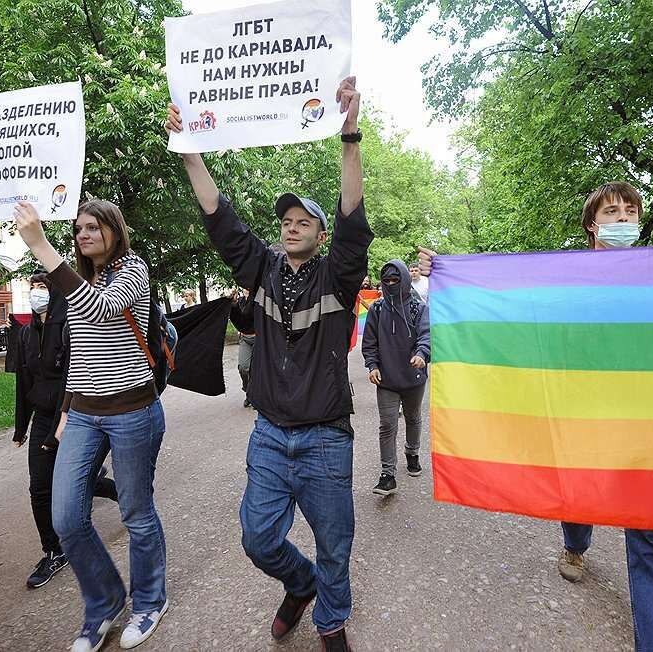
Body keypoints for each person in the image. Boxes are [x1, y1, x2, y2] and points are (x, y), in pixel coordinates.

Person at [416, 181, 653, 652]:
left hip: (644, 427)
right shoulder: (565, 277)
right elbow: (513, 307)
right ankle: (576, 542)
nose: (623, 220)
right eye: (612, 212)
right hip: (582, 417)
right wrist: (445, 273)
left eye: (631, 212)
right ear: (592, 225)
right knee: (578, 493)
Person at [166, 75, 371, 652]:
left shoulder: (339, 274)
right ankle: (299, 583)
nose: (291, 224)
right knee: (258, 539)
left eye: (304, 219)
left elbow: (353, 217)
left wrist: (349, 133)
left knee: (336, 543)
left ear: (321, 232)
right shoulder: (260, 270)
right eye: (285, 220)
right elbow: (220, 218)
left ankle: (331, 621)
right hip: (272, 436)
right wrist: (189, 152)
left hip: (327, 438)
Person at [14, 199, 168, 651]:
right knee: (65, 516)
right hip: (83, 414)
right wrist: (64, 415)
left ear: (114, 231)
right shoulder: (81, 279)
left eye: (93, 227)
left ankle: (149, 601)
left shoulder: (132, 271)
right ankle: (104, 601)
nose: (82, 234)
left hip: (133, 413)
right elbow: (77, 353)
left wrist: (40, 244)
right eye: (78, 228)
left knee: (136, 512)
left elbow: (101, 309)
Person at [7, 271, 119, 590]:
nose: (36, 293)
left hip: (73, 414)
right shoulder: (27, 334)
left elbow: (75, 378)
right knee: (40, 486)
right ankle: (54, 550)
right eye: (32, 288)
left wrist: (58, 427)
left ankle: (116, 491)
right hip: (43, 415)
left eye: (42, 287)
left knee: (71, 482)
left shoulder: (71, 327)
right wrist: (20, 428)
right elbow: (23, 384)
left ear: (55, 293)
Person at [361, 260, 430, 496]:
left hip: (413, 377)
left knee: (412, 418)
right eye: (387, 280)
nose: (391, 284)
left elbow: (426, 336)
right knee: (387, 424)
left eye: (395, 280)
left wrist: (422, 354)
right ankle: (387, 474)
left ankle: (412, 453)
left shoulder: (418, 309)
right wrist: (372, 366)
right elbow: (369, 343)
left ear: (405, 281)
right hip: (386, 380)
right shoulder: (377, 310)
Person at [228, 288, 255, 408]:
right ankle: (248, 390)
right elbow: (236, 318)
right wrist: (232, 304)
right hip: (245, 338)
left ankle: (254, 397)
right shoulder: (239, 301)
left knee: (258, 369)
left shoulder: (259, 299)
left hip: (260, 338)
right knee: (244, 367)